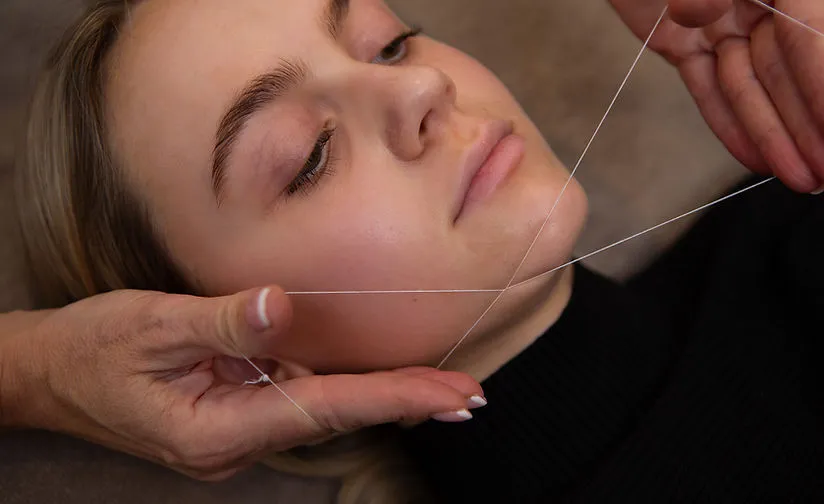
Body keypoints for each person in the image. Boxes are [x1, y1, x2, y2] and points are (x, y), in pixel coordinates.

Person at [3, 0, 822, 502]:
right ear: (236, 365)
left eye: (388, 43)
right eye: (309, 155)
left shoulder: (785, 194)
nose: (421, 86)